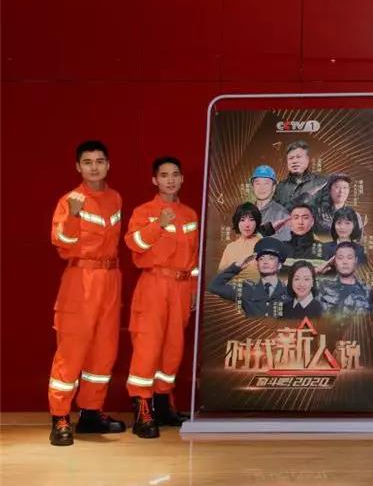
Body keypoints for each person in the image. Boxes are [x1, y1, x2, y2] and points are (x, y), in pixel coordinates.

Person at [47, 140, 127, 446]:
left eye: (99, 161)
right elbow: (62, 243)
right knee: (72, 351)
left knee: (104, 351)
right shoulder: (70, 201)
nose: (94, 167)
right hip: (81, 280)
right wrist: (73, 215)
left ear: (108, 165)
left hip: (110, 280)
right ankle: (60, 417)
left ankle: (91, 413)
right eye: (88, 162)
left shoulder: (115, 198)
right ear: (78, 167)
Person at [124, 156, 200, 438]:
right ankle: (142, 409)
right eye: (164, 175)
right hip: (154, 284)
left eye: (175, 174)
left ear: (182, 179)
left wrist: (193, 289)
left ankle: (162, 403)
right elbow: (134, 244)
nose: (170, 180)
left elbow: (194, 259)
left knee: (173, 348)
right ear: (155, 180)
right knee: (148, 346)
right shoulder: (144, 212)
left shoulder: (190, 214)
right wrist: (158, 224)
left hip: (181, 288)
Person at [208, 237, 292, 318]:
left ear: (279, 265)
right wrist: (236, 267)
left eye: (271, 258)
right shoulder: (247, 290)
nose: (265, 262)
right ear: (257, 264)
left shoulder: (290, 292)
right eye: (261, 259)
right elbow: (214, 286)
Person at [317, 242, 373, 316]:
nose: (345, 262)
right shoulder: (323, 286)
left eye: (349, 258)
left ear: (356, 260)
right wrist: (318, 270)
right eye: (340, 258)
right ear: (334, 261)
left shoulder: (366, 291)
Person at [274, 140, 327, 210]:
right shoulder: (279, 187)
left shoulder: (322, 182)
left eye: (298, 157)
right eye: (291, 158)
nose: (294, 161)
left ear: (307, 160)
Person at [218, 202, 261, 282]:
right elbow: (220, 277)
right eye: (242, 220)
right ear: (237, 222)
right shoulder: (230, 247)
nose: (247, 225)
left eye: (251, 220)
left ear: (257, 222)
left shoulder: (263, 244)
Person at [250, 165, 290, 240]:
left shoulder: (282, 214)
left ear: (273, 187)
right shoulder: (246, 211)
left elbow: (286, 243)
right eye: (257, 183)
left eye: (266, 183)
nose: (261, 187)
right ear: (252, 187)